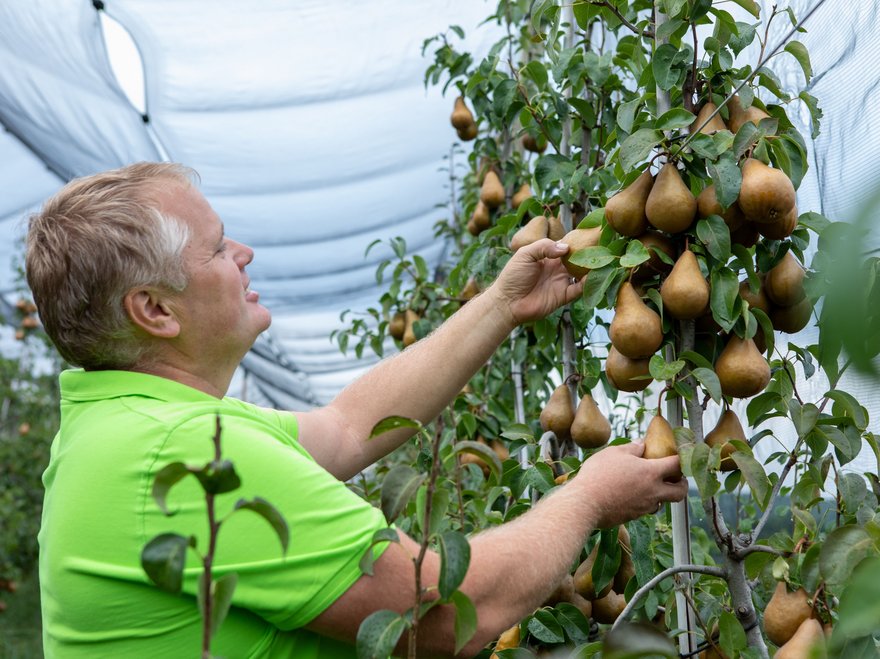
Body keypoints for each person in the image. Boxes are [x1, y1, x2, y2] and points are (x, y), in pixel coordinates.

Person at [27, 162, 688, 658]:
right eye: (218, 247)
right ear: (155, 310)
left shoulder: (123, 428)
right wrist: (589, 498)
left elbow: (347, 427)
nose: (244, 254)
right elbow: (443, 611)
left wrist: (502, 303)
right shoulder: (180, 454)